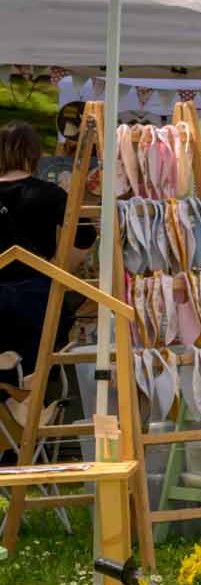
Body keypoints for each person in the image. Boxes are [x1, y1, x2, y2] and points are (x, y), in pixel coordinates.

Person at [0, 121, 75, 395]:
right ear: (34, 154)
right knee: (37, 380)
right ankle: (34, 434)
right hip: (38, 294)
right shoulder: (52, 194)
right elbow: (84, 238)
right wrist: (60, 266)